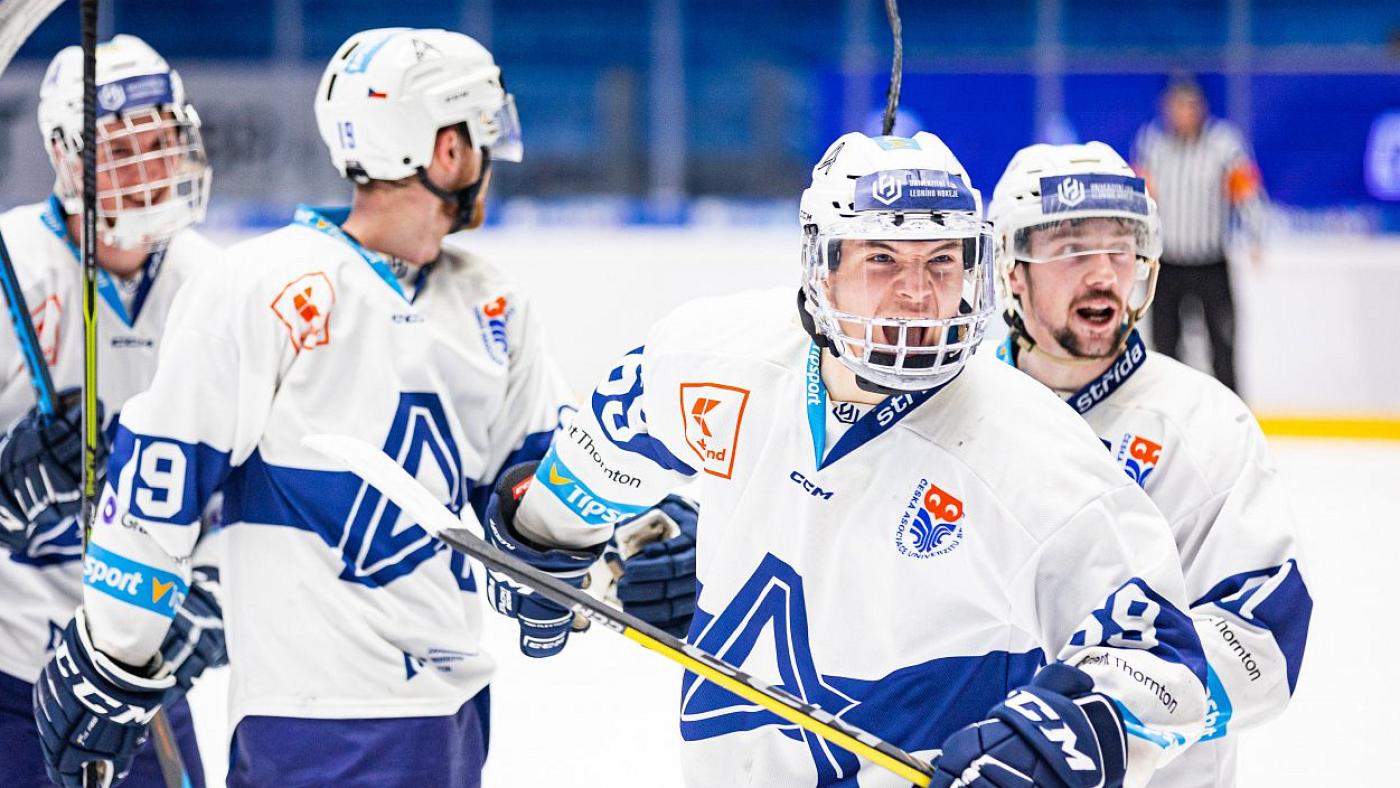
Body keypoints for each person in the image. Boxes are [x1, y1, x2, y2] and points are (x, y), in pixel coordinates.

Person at [30, 27, 695, 788]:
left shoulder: (494, 305)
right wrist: (115, 653)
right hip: (310, 718)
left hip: (454, 712)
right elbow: (163, 476)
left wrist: (636, 538)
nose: (490, 157)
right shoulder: (262, 285)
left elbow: (543, 486)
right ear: (447, 150)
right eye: (481, 135)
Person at [482, 130, 1209, 786]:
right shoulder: (714, 357)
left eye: (942, 260)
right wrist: (546, 539)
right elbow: (600, 458)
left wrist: (1056, 744)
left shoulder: (1035, 452)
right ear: (821, 265)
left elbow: (1162, 668)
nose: (917, 293)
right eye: (882, 258)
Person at [988, 140, 1311, 787]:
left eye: (1120, 248)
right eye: (1071, 249)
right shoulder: (960, 411)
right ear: (1013, 269)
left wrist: (1097, 720)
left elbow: (1262, 646)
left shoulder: (1205, 425)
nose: (1103, 273)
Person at [0, 34, 222, 788]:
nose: (149, 170)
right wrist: (8, 484)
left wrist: (210, 606)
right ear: (63, 156)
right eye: (120, 151)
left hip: (137, 679)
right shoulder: (12, 267)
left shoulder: (215, 288)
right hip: (9, 673)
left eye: (158, 143)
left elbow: (241, 489)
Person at [1131, 77, 1267, 394]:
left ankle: (1230, 411)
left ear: (1202, 107)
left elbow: (1246, 191)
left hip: (1210, 264)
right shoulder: (1153, 143)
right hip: (1167, 265)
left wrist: (1255, 235)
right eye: (1177, 105)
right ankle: (1169, 408)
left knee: (1222, 345)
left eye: (1190, 105)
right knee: (1164, 347)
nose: (1184, 112)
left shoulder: (1223, 144)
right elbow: (1141, 197)